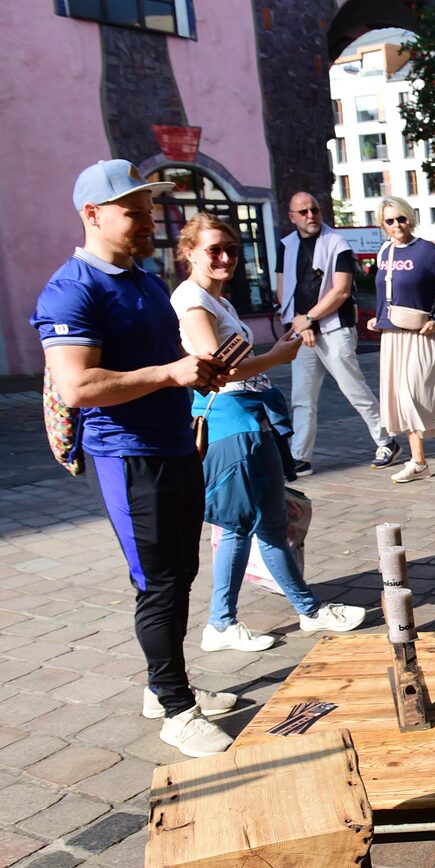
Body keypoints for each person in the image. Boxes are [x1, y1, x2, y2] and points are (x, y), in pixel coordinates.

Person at [34, 160, 236, 757]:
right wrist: (171, 373)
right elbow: (77, 386)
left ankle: (162, 684)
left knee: (180, 574)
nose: (148, 221)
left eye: (149, 210)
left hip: (175, 446)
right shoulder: (72, 288)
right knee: (159, 582)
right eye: (133, 211)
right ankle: (176, 709)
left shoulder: (145, 282)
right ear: (92, 215)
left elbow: (170, 361)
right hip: (126, 456)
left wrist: (198, 371)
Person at [172, 212, 367, 656]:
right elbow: (216, 368)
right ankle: (221, 622)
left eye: (232, 250)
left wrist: (271, 355)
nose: (225, 258)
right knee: (238, 525)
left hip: (249, 416)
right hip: (227, 420)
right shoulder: (193, 299)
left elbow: (234, 359)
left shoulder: (217, 299)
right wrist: (276, 357)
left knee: (273, 523)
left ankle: (310, 610)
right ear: (189, 253)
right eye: (213, 250)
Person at [278, 192, 397, 474]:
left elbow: (341, 291)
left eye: (315, 210)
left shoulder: (337, 243)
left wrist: (308, 320)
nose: (311, 216)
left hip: (334, 328)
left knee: (353, 388)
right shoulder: (286, 245)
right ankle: (301, 456)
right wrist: (297, 323)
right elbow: (282, 287)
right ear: (292, 217)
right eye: (303, 212)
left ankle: (386, 441)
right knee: (302, 397)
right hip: (301, 330)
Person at [367, 195, 435, 483]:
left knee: (417, 394)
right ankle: (418, 460)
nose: (397, 224)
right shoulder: (384, 252)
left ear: (410, 218)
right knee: (399, 398)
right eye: (390, 220)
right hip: (391, 334)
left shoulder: (426, 251)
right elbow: (384, 290)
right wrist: (379, 316)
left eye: (401, 218)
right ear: (382, 225)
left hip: (420, 333)